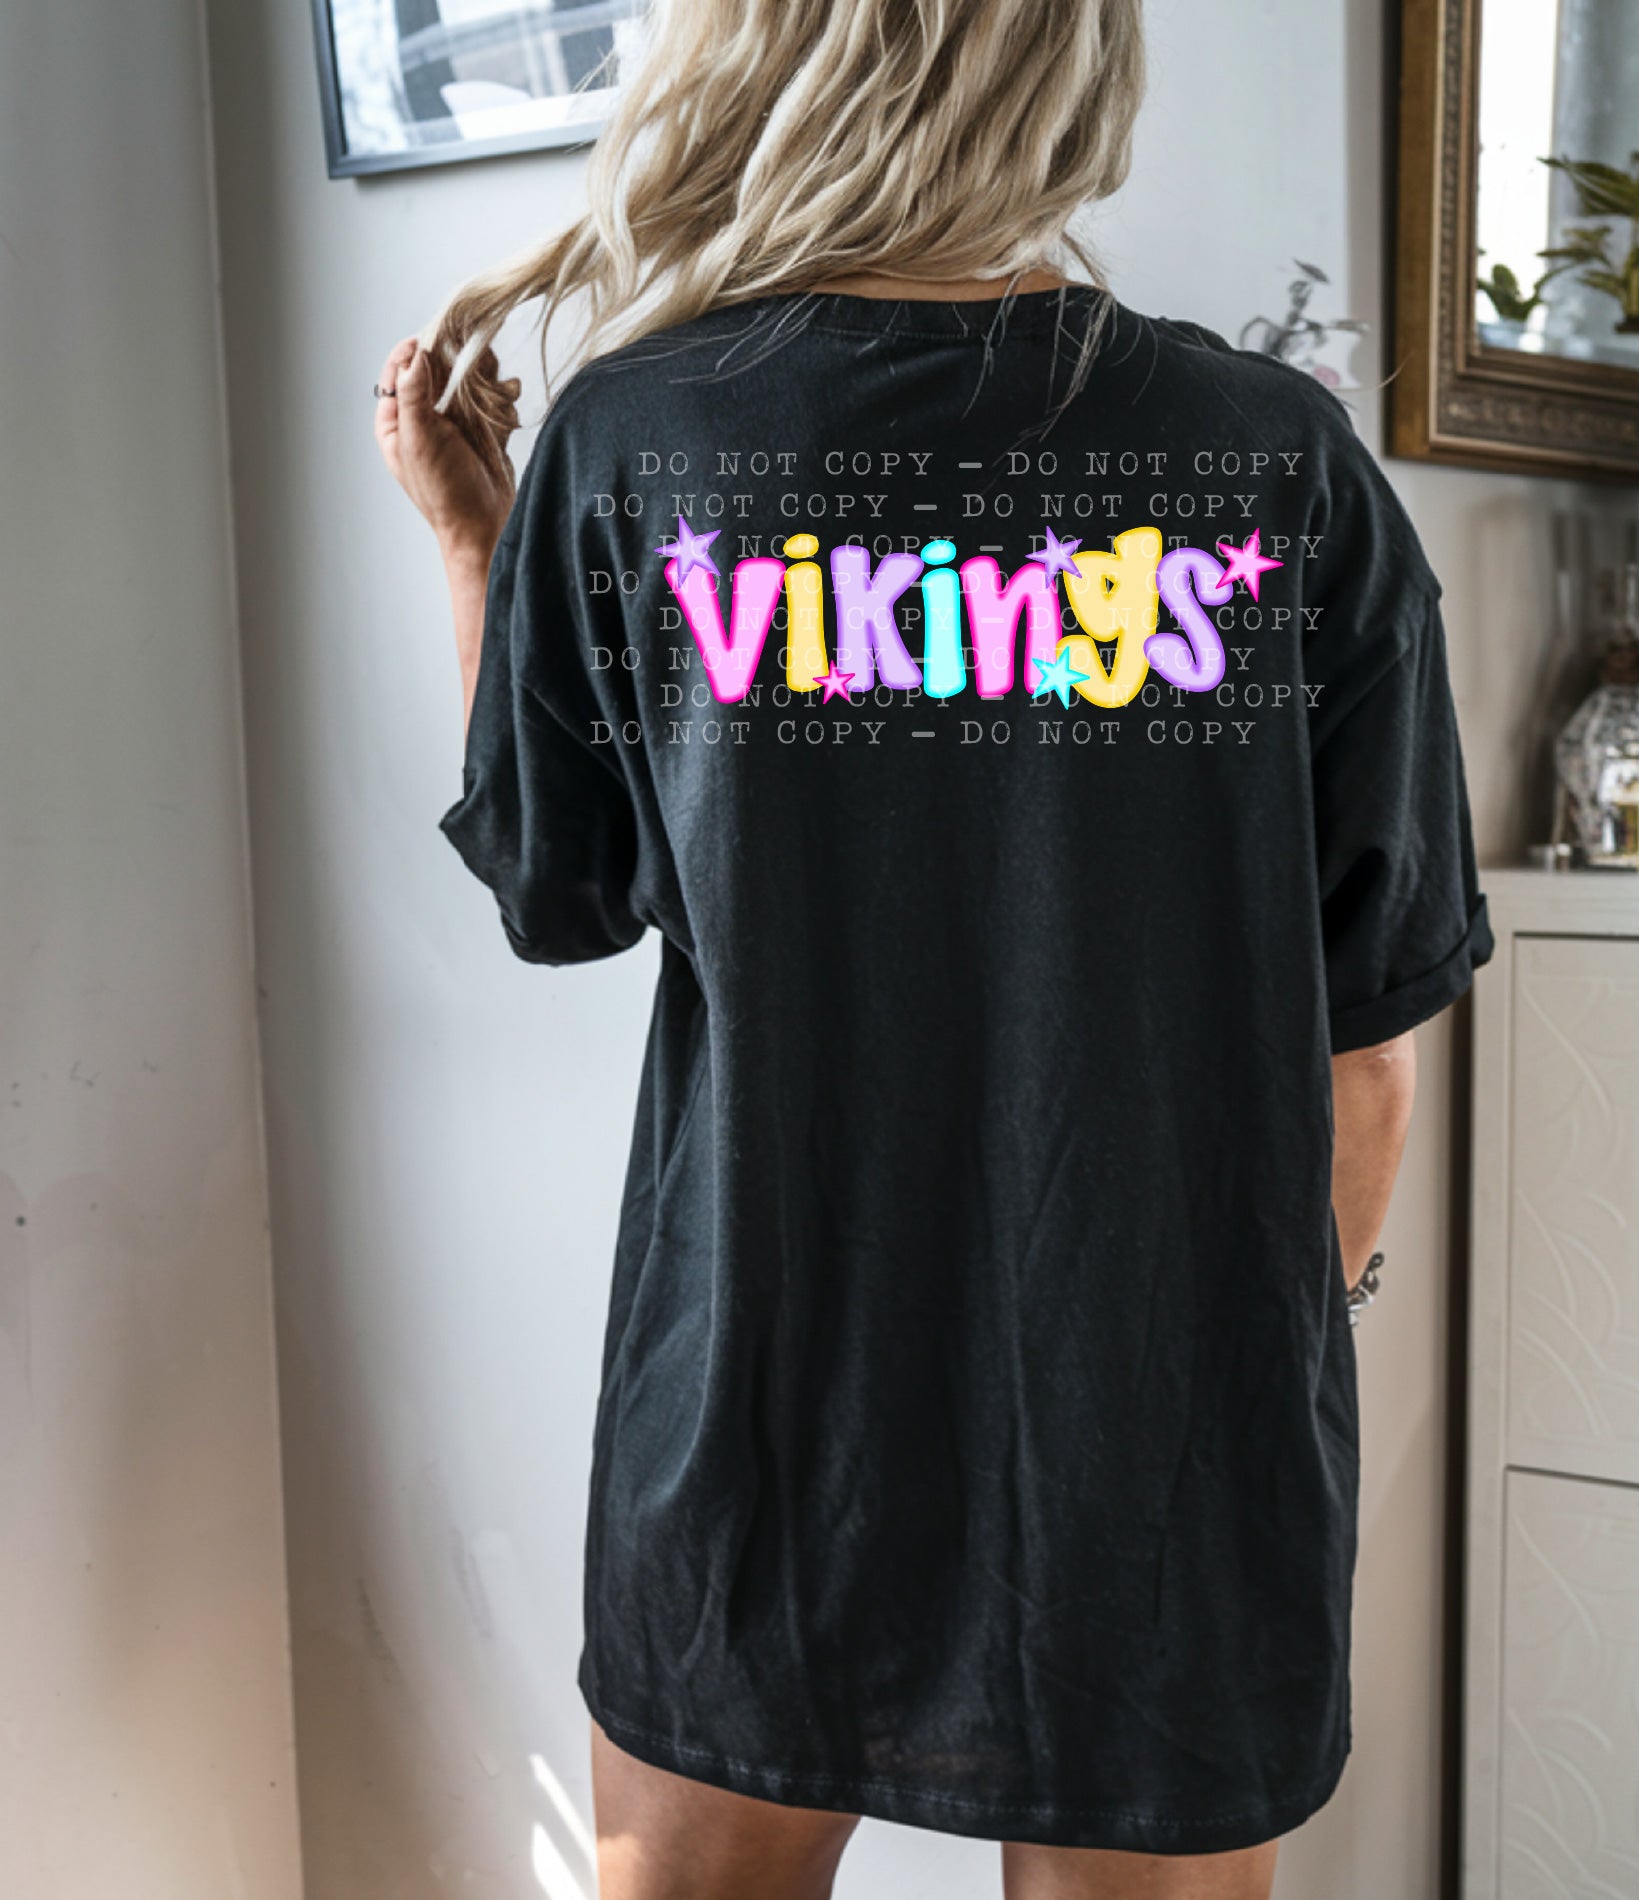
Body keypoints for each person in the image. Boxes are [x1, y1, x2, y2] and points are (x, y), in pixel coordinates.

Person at [374, 2, 1492, 1895]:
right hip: (1159, 1467)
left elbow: (557, 896)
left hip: (755, 1433)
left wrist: (479, 547)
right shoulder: (1277, 462)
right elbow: (1366, 1051)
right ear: (1071, 79)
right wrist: (1256, 1350)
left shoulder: (637, 438)